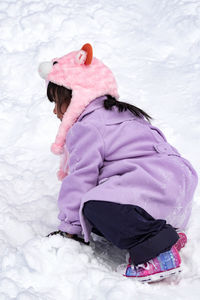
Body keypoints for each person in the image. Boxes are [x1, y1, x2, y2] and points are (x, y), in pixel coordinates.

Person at [38, 43, 198, 282]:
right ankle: (166, 235)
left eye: (57, 102)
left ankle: (157, 250)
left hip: (150, 183)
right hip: (174, 187)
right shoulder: (126, 112)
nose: (55, 112)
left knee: (92, 206)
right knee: (97, 215)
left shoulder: (86, 127)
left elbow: (81, 177)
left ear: (76, 96)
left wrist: (70, 229)